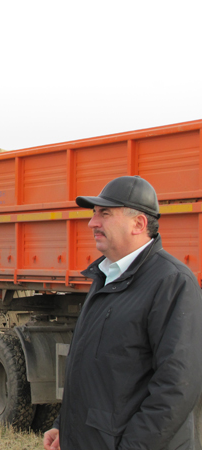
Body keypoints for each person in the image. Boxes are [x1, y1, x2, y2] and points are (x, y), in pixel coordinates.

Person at [43, 176, 202, 450]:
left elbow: (177, 387)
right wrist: (65, 426)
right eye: (94, 214)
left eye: (104, 214)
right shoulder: (105, 275)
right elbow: (94, 369)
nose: (93, 223)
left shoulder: (172, 282)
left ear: (139, 224)